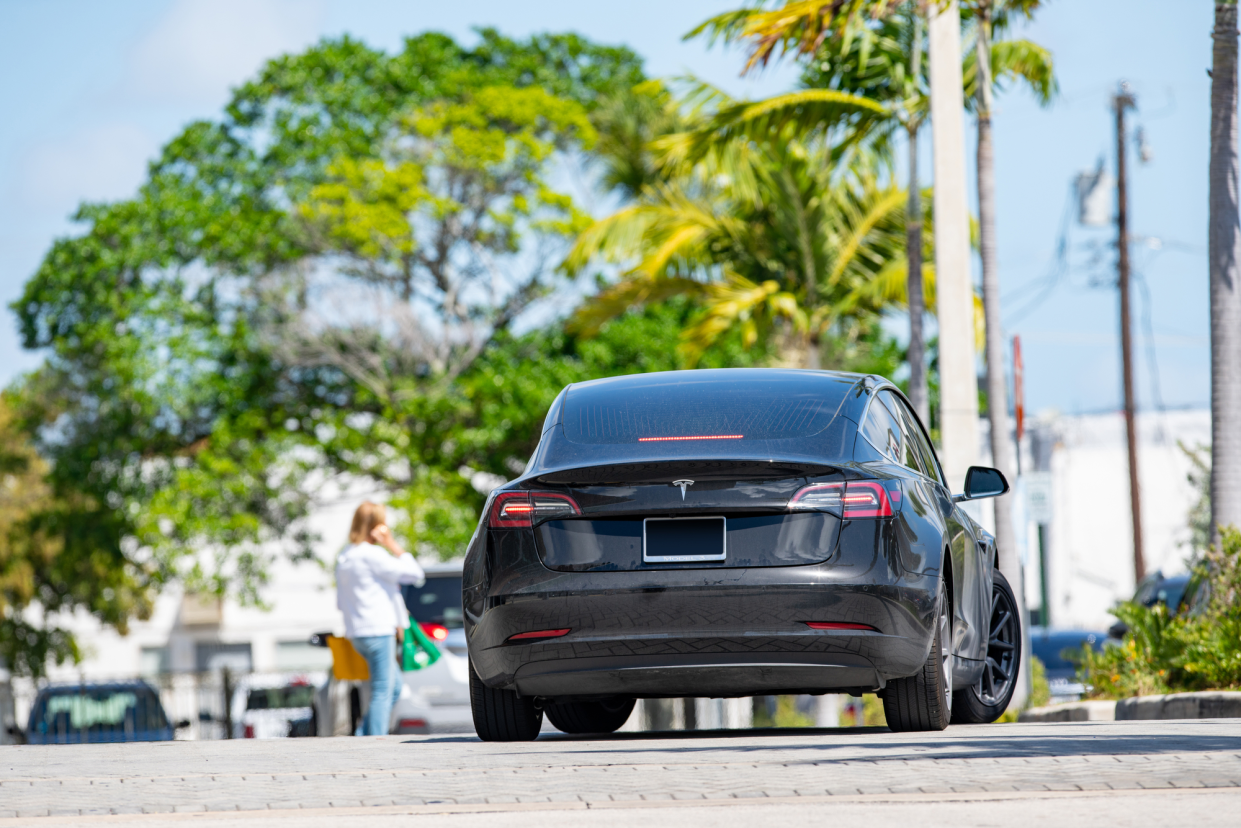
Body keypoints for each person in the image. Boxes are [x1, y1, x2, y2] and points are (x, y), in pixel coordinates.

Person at [335, 501, 425, 736]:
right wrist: (391, 543)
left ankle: (362, 735)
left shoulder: (345, 556)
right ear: (376, 526)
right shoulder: (372, 555)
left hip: (357, 632)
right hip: (378, 631)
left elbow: (339, 602)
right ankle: (374, 743)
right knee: (383, 690)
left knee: (393, 688)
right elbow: (415, 574)